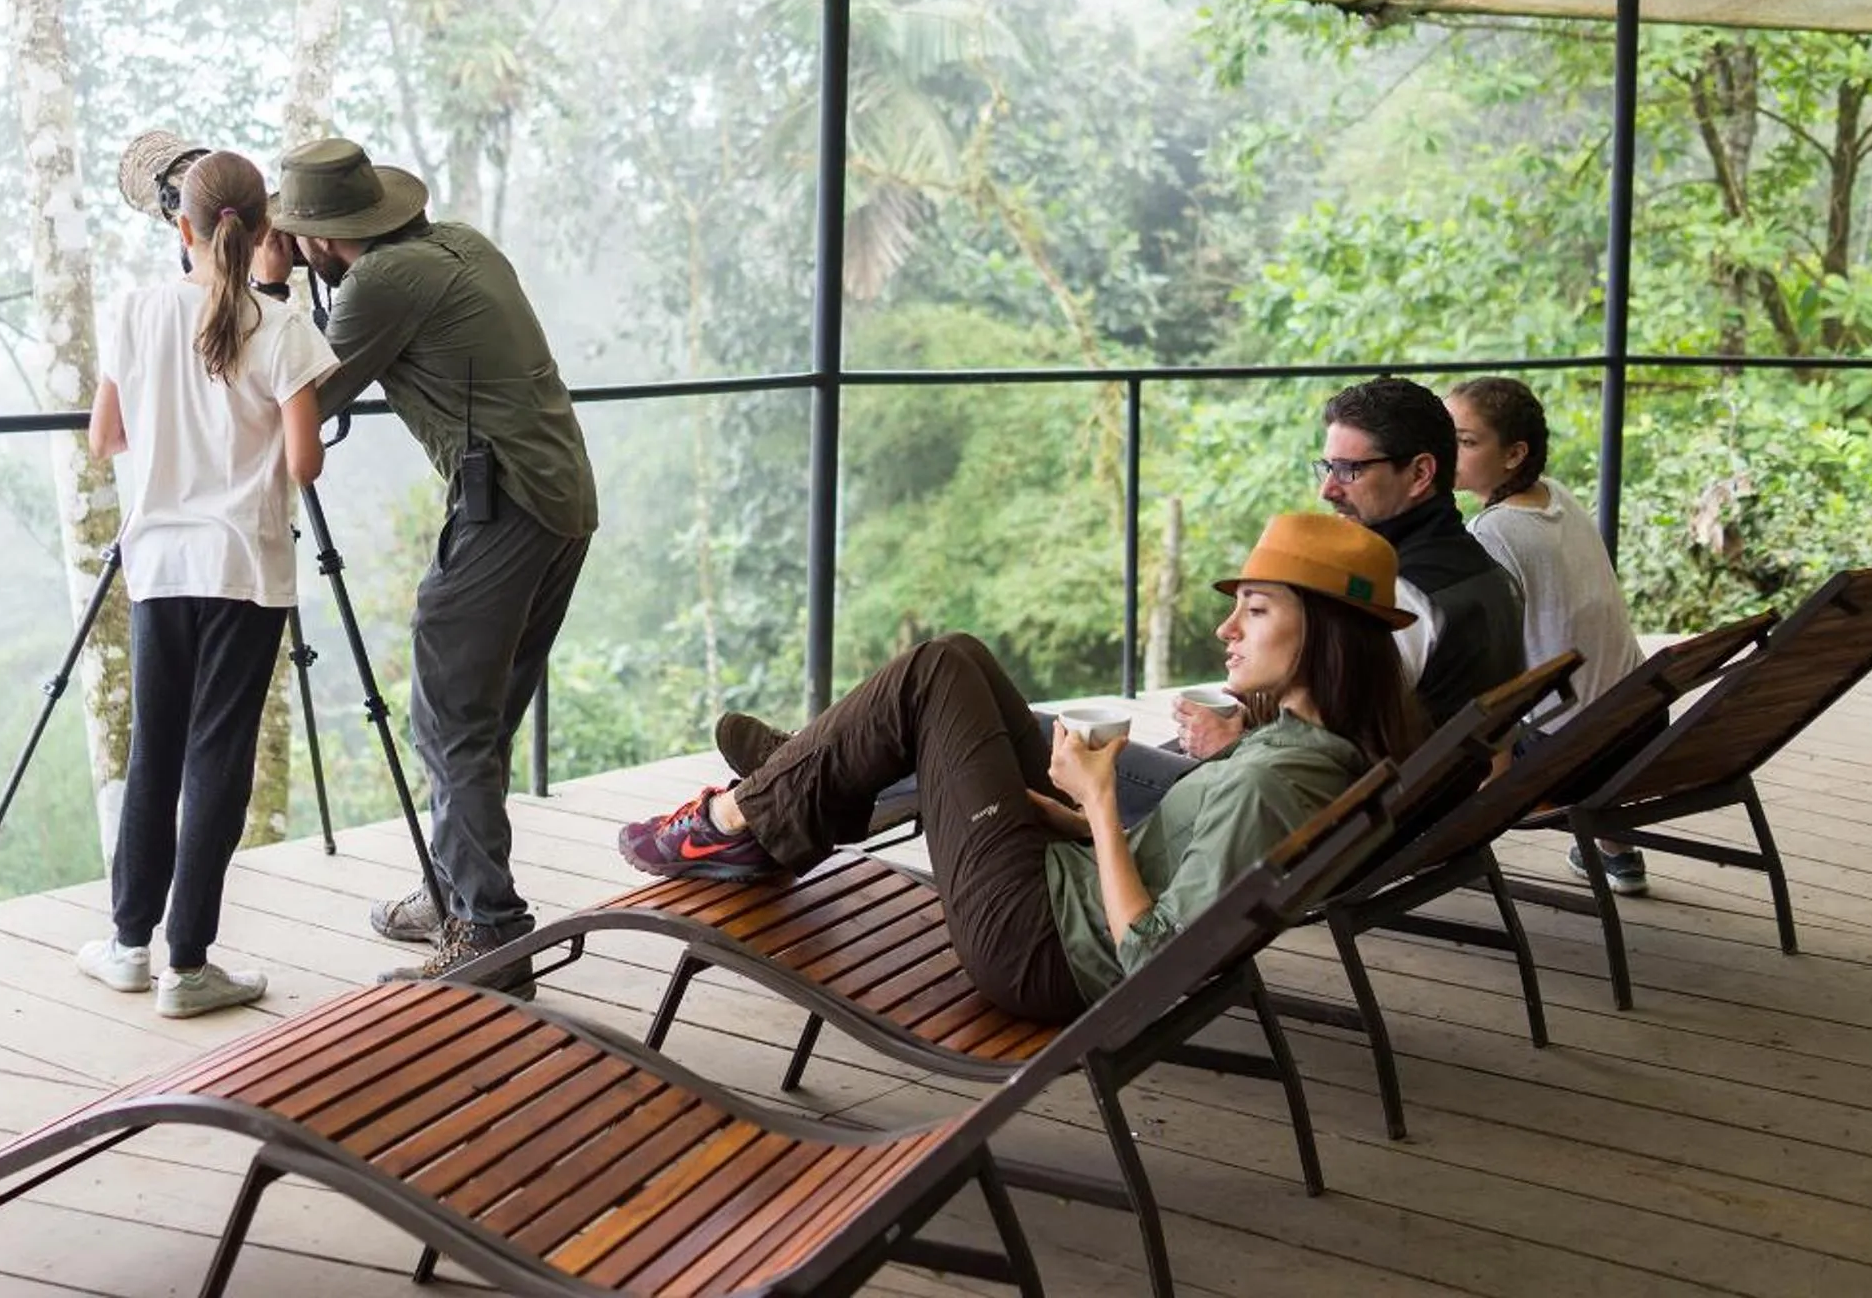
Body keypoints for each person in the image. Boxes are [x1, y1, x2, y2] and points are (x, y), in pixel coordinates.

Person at [623, 515, 1423, 1018]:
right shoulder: (1302, 747)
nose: (1227, 629)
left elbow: (1157, 956)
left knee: (935, 671)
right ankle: (812, 785)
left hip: (1036, 947)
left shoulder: (1270, 783)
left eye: (1255, 609)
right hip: (1058, 891)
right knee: (961, 659)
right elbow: (1176, 858)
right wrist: (1068, 815)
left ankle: (739, 820)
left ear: (1323, 633)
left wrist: (1102, 803)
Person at [254, 137, 597, 987]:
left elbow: (299, 395)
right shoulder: (460, 243)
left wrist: (267, 286)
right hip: (559, 499)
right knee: (478, 718)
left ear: (318, 240)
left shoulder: (379, 284)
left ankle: (488, 932)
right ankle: (454, 892)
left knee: (450, 720)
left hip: (507, 507)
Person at [74, 150, 336, 1018]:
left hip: (159, 567)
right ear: (265, 234)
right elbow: (305, 462)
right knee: (216, 757)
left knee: (154, 750)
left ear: (179, 229)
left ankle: (125, 947)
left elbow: (103, 438)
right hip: (245, 569)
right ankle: (189, 966)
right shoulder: (283, 327)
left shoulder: (139, 311)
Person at [1447, 375, 1652, 894]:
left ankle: (1427, 848)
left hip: (1568, 756)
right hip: (1637, 726)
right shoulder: (1556, 496)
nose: (1448, 450)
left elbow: (1487, 666)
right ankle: (1616, 850)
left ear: (1514, 454)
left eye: (1467, 441)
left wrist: (1490, 785)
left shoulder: (1492, 533)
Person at [1307, 375, 1524, 732]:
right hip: (1446, 780)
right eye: (1329, 468)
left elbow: (1332, 730)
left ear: (1420, 473)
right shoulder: (1489, 571)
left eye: (1348, 470)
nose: (1327, 490)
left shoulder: (1398, 596)